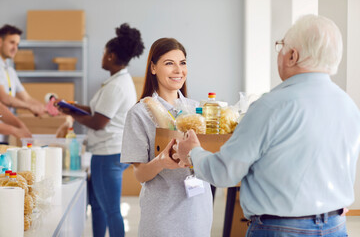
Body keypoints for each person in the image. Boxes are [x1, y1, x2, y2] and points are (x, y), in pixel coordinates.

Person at [173, 14, 360, 237]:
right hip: (336, 226)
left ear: (292, 56)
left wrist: (193, 152)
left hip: (280, 230)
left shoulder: (271, 106)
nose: (279, 53)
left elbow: (225, 173)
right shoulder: (349, 106)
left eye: (281, 46)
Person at [57, 23, 144, 237]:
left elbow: (99, 122)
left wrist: (72, 114)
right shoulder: (117, 81)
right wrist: (72, 105)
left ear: (112, 56)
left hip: (108, 153)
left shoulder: (116, 85)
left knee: (112, 210)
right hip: (107, 151)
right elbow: (99, 110)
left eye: (104, 52)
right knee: (97, 206)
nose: (103, 56)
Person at [120, 38, 213, 237]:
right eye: (169, 63)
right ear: (153, 68)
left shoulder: (199, 110)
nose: (178, 70)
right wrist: (161, 161)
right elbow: (139, 174)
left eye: (183, 63)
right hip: (163, 218)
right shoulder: (139, 113)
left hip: (199, 213)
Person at [0, 24, 46, 116]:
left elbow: (27, 98)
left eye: (17, 44)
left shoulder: (10, 71)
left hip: (6, 122)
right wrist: (29, 107)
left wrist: (47, 109)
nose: (15, 48)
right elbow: (4, 97)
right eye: (12, 43)